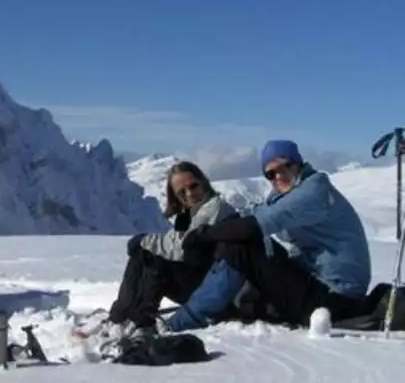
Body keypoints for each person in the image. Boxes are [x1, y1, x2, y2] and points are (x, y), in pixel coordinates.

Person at [164, 139, 371, 332]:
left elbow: (253, 226)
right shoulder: (288, 193)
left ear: (298, 163)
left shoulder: (313, 191)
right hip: (319, 284)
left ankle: (183, 321)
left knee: (240, 247)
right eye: (271, 174)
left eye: (285, 167)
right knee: (241, 242)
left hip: (336, 299)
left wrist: (204, 235)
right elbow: (257, 212)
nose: (278, 176)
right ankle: (204, 304)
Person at [76, 161, 237, 339]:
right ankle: (120, 317)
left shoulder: (214, 208)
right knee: (145, 254)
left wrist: (145, 241)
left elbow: (185, 245)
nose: (189, 194)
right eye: (182, 192)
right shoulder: (193, 213)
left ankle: (140, 323)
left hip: (216, 291)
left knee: (156, 260)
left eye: (193, 186)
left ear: (203, 182)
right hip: (203, 281)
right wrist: (146, 244)